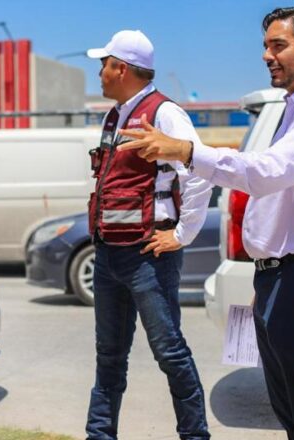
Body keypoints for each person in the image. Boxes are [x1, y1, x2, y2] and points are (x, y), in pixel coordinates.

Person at [116, 8, 294, 439]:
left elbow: (263, 173)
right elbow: (280, 199)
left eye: (278, 45)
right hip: (281, 280)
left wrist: (187, 151)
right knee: (293, 411)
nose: (267, 55)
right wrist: (267, 276)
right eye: (265, 46)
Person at [83, 30, 213, 440]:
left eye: (103, 64)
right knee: (108, 360)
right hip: (109, 255)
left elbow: (200, 172)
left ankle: (195, 436)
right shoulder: (115, 114)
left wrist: (181, 234)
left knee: (171, 354)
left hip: (148, 256)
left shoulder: (165, 113)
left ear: (121, 68)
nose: (99, 73)